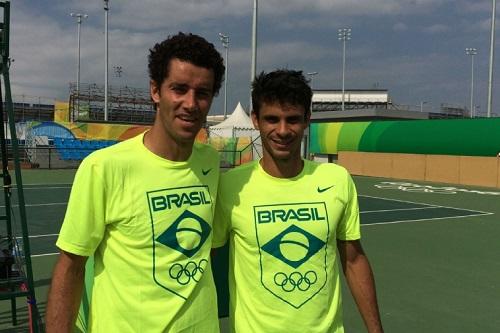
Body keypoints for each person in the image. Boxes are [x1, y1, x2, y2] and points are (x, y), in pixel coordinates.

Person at [46, 32, 225, 332]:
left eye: (202, 93)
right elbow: (71, 266)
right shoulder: (104, 167)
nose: (191, 104)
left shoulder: (210, 161)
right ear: (155, 90)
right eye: (179, 89)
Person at [213, 69, 384, 332]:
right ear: (256, 120)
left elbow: (353, 260)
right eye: (272, 119)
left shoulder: (337, 179)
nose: (283, 130)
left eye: (292, 119)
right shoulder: (231, 186)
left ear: (307, 120)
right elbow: (206, 261)